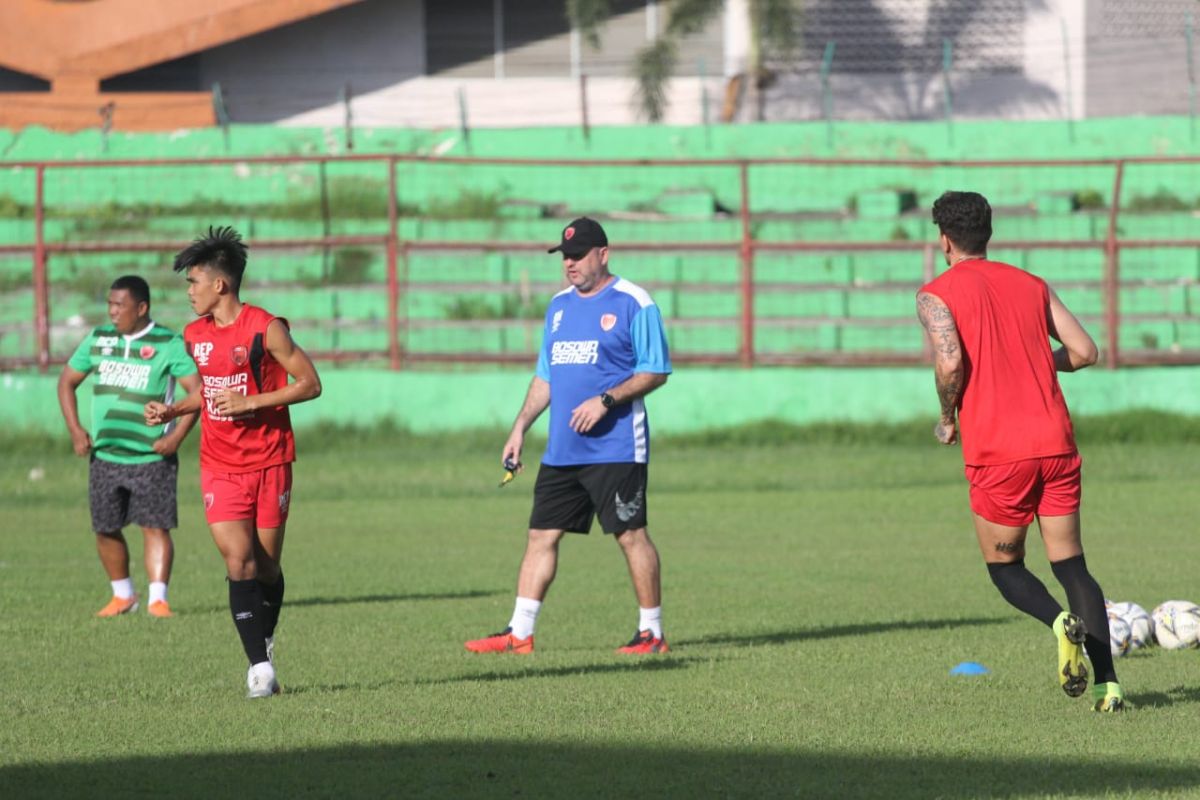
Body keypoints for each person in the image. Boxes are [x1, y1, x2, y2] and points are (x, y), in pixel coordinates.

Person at [916, 191, 1124, 713]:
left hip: (998, 451)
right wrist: (1029, 359)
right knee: (1073, 566)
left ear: (944, 238)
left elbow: (950, 365)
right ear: (988, 233)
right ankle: (1109, 688)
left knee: (1006, 569)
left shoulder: (935, 294)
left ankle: (1059, 623)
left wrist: (946, 419)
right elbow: (1085, 351)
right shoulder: (1031, 284)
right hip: (1055, 442)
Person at [465, 217, 672, 655]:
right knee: (541, 535)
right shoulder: (559, 307)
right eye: (564, 257)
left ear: (604, 254)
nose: (570, 264)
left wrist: (606, 401)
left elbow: (655, 370)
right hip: (563, 450)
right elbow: (546, 377)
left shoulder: (636, 302)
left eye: (577, 256)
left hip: (616, 447)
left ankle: (651, 633)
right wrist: (520, 427)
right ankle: (519, 634)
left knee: (631, 534)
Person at [144, 226, 321, 699]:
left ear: (219, 284)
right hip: (219, 464)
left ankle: (262, 637)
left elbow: (310, 383)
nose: (189, 292)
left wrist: (253, 402)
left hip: (270, 460)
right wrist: (174, 409)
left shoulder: (266, 327)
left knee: (265, 568)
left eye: (193, 282)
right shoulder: (193, 335)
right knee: (237, 561)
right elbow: (207, 391)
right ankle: (259, 668)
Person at [58, 275, 200, 619]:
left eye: (119, 305)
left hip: (152, 455)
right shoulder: (98, 339)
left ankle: (157, 600)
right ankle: (122, 595)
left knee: (155, 526)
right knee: (105, 527)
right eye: (109, 304)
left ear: (141, 307)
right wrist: (76, 430)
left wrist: (176, 437)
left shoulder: (168, 343)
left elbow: (198, 394)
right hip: (105, 455)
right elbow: (67, 382)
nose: (112, 311)